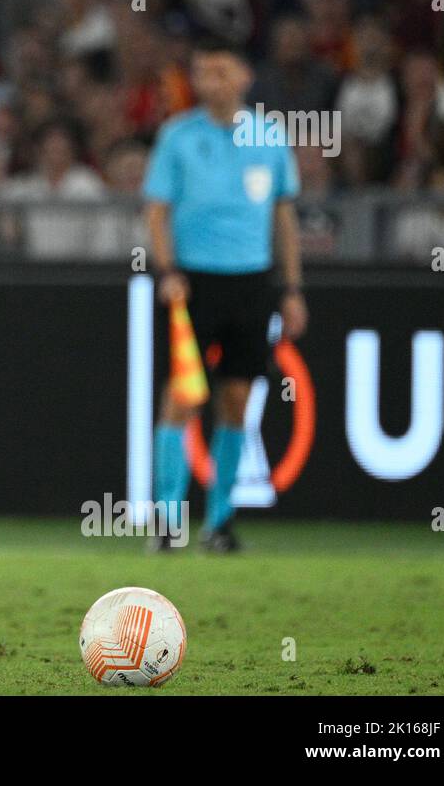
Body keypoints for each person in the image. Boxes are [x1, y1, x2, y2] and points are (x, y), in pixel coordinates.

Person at [142, 36, 307, 552]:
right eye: (201, 71)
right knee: (184, 395)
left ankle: (219, 523)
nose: (208, 80)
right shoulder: (177, 136)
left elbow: (284, 216)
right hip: (193, 280)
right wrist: (166, 268)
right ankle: (168, 521)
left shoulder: (269, 137)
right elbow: (157, 209)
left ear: (243, 77)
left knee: (237, 400)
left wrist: (292, 288)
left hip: (251, 282)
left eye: (219, 70)